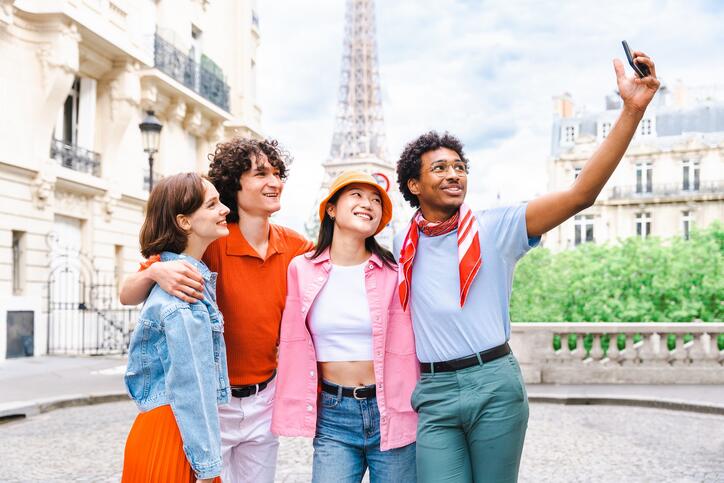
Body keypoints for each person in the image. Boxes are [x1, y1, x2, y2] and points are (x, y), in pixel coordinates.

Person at [393, 53, 660, 482]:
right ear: (413, 185)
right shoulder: (399, 244)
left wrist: (632, 110)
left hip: (493, 383)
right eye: (439, 168)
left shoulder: (497, 227)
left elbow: (579, 195)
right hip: (434, 392)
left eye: (460, 167)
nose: (453, 174)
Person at [120, 138, 313, 483]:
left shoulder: (295, 246)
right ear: (233, 187)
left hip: (264, 398)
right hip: (214, 404)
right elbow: (127, 293)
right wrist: (154, 271)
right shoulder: (212, 240)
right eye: (261, 174)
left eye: (278, 173)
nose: (275, 182)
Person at [272, 171, 418, 483]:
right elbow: (294, 341)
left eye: (376, 200)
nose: (369, 204)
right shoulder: (301, 269)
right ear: (331, 208)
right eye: (357, 195)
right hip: (333, 414)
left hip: (391, 409)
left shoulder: (394, 271)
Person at [122, 172, 230, 482]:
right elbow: (191, 390)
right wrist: (209, 468)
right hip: (175, 438)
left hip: (159, 432)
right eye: (212, 204)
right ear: (184, 222)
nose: (224, 209)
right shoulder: (185, 296)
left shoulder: (174, 277)